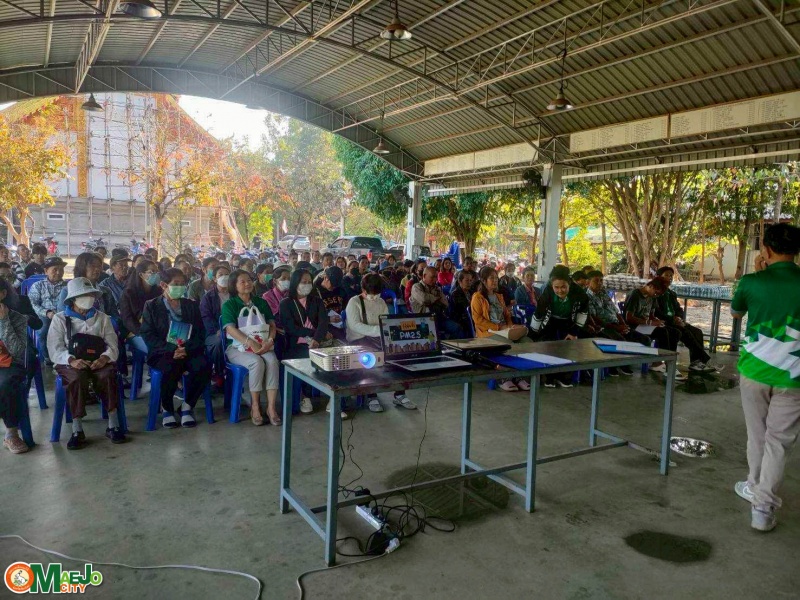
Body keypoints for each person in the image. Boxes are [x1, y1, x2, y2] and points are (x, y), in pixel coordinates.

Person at [730, 223, 800, 532]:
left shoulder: (751, 282)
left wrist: (759, 274)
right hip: (794, 377)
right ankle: (762, 509)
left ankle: (753, 485)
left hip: (755, 372)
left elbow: (736, 313)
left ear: (766, 249)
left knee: (757, 434)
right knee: (778, 442)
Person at [47, 278, 126, 449]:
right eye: (84, 295)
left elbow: (113, 344)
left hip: (99, 361)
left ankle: (113, 424)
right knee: (76, 379)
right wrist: (71, 360)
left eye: (91, 295)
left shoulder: (103, 318)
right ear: (73, 299)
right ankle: (77, 429)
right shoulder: (60, 319)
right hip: (71, 362)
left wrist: (104, 358)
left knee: (108, 375)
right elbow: (54, 348)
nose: (89, 298)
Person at [140, 268, 210, 429]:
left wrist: (187, 349)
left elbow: (200, 332)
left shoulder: (190, 305)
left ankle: (187, 406)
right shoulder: (151, 306)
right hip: (163, 351)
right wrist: (172, 349)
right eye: (176, 284)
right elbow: (147, 334)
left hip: (188, 349)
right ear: (164, 285)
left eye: (182, 284)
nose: (180, 287)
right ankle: (167, 408)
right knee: (170, 367)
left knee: (204, 366)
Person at [345, 273, 416, 412]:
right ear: (363, 289)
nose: (374, 297)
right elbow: (355, 326)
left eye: (377, 294)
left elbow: (385, 321)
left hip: (377, 338)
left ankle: (400, 393)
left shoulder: (381, 302)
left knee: (399, 354)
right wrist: (378, 330)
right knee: (370, 358)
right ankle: (371, 395)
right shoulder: (354, 302)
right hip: (359, 340)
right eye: (371, 294)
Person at [222, 269, 281, 426]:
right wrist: (251, 342)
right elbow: (230, 329)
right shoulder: (229, 305)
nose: (247, 284)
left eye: (249, 280)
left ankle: (271, 408)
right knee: (256, 362)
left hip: (263, 344)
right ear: (234, 285)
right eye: (242, 281)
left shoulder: (261, 302)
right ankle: (255, 406)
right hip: (237, 348)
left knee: (272, 361)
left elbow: (272, 325)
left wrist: (270, 340)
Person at [279, 269, 337, 417]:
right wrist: (313, 333)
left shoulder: (316, 301)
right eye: (303, 282)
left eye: (309, 282)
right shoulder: (286, 303)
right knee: (307, 357)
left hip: (318, 341)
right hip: (296, 344)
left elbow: (323, 322)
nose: (307, 285)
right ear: (295, 283)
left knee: (336, 358)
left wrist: (317, 339)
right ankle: (305, 397)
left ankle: (334, 397)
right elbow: (290, 328)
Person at [529, 265, 590, 388]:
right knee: (548, 346)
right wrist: (533, 334)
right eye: (556, 287)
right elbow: (539, 313)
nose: (560, 291)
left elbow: (582, 314)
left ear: (569, 284)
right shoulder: (547, 292)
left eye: (563, 287)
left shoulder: (579, 293)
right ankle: (549, 377)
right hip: (551, 321)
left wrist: (574, 332)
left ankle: (564, 377)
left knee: (567, 348)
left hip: (569, 322)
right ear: (552, 285)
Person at [470, 266, 529, 391]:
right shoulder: (478, 297)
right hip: (487, 333)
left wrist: (511, 325)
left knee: (527, 341)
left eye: (496, 278)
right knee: (508, 345)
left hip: (504, 330)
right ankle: (504, 377)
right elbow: (478, 320)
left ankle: (519, 374)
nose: (495, 280)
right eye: (491, 278)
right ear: (484, 281)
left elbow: (506, 315)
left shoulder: (499, 296)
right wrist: (499, 327)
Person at [584, 270, 649, 376]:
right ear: (588, 282)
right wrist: (616, 328)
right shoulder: (586, 296)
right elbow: (595, 318)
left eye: (601, 281)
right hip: (603, 326)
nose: (600, 283)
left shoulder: (604, 293)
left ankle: (635, 363)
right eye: (596, 281)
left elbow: (616, 311)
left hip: (616, 324)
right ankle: (616, 366)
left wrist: (623, 324)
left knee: (644, 339)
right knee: (620, 340)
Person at [623, 277, 687, 381]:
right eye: (656, 293)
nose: (656, 296)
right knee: (662, 332)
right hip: (634, 326)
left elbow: (651, 315)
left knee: (675, 332)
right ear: (651, 286)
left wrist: (657, 321)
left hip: (646, 325)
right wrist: (649, 322)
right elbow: (628, 318)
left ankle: (669, 361)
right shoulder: (635, 295)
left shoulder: (652, 297)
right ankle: (666, 364)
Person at [656, 266, 713, 371]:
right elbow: (656, 312)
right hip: (665, 322)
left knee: (697, 332)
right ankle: (703, 359)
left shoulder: (671, 294)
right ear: (659, 277)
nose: (669, 278)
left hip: (675, 321)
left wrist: (679, 318)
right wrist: (673, 320)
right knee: (682, 332)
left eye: (671, 276)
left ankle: (695, 362)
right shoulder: (656, 292)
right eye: (666, 275)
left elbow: (679, 309)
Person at [0, 287, 31, 454]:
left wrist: (4, 321)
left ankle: (11, 433)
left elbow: (17, 350)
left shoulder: (17, 318)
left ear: (3, 293)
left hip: (10, 363)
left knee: (6, 384)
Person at [28, 257, 69, 365]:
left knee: (71, 329)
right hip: (44, 314)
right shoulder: (38, 285)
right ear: (46, 271)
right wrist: (47, 313)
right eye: (55, 269)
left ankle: (66, 356)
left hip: (63, 314)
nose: (59, 272)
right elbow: (33, 304)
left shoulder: (67, 286)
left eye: (61, 269)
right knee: (43, 330)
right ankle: (48, 357)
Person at [57, 253, 118, 322]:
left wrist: (110, 323)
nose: (97, 269)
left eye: (99, 266)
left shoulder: (105, 291)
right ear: (81, 267)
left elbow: (115, 315)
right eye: (92, 266)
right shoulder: (67, 291)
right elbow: (62, 317)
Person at [120, 259, 163, 355]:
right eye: (152, 272)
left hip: (155, 331)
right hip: (135, 332)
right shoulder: (128, 293)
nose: (156, 275)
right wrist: (143, 332)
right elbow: (127, 319)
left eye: (157, 272)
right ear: (141, 275)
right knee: (156, 349)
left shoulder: (158, 292)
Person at [200, 264, 231, 389]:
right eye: (221, 275)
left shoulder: (235, 294)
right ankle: (219, 374)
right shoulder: (208, 297)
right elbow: (206, 317)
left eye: (227, 274)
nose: (224, 277)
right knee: (219, 343)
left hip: (234, 331)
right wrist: (218, 330)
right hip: (214, 333)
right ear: (214, 278)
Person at [411, 267, 464, 339]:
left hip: (438, 318)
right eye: (432, 277)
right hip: (423, 320)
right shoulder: (416, 287)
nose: (435, 280)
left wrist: (431, 300)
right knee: (435, 335)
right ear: (424, 276)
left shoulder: (437, 288)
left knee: (457, 328)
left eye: (436, 277)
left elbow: (445, 303)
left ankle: (450, 344)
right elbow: (424, 299)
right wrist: (437, 299)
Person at [315, 266, 347, 339]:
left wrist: (344, 315)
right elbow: (312, 316)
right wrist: (328, 319)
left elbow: (346, 306)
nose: (334, 288)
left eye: (336, 286)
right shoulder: (315, 292)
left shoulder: (340, 290)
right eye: (332, 285)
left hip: (340, 325)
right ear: (326, 278)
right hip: (324, 327)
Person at [264, 265, 291, 333]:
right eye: (283, 278)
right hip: (275, 330)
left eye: (289, 279)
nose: (287, 281)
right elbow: (268, 319)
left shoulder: (292, 294)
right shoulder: (267, 296)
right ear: (275, 281)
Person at [449, 270, 475, 337]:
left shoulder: (472, 292)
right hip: (462, 320)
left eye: (470, 280)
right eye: (467, 280)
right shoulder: (455, 294)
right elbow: (455, 313)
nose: (469, 283)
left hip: (472, 318)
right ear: (460, 281)